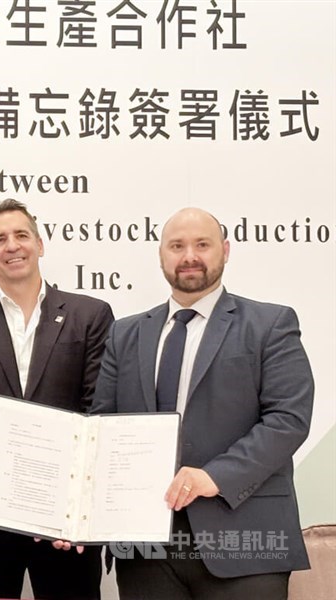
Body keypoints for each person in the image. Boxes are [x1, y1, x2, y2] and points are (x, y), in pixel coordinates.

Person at [91, 207, 313, 599]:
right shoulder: (124, 334)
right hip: (147, 548)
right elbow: (102, 430)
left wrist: (214, 476)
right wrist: (78, 513)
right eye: (177, 245)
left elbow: (287, 419)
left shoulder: (270, 324)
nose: (189, 255)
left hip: (245, 537)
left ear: (225, 250)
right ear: (161, 255)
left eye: (202, 244)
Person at [0, 199, 114, 600]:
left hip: (67, 521)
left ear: (40, 244)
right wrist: (14, 489)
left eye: (21, 235)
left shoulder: (91, 315)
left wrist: (54, 494)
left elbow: (97, 410)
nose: (12, 246)